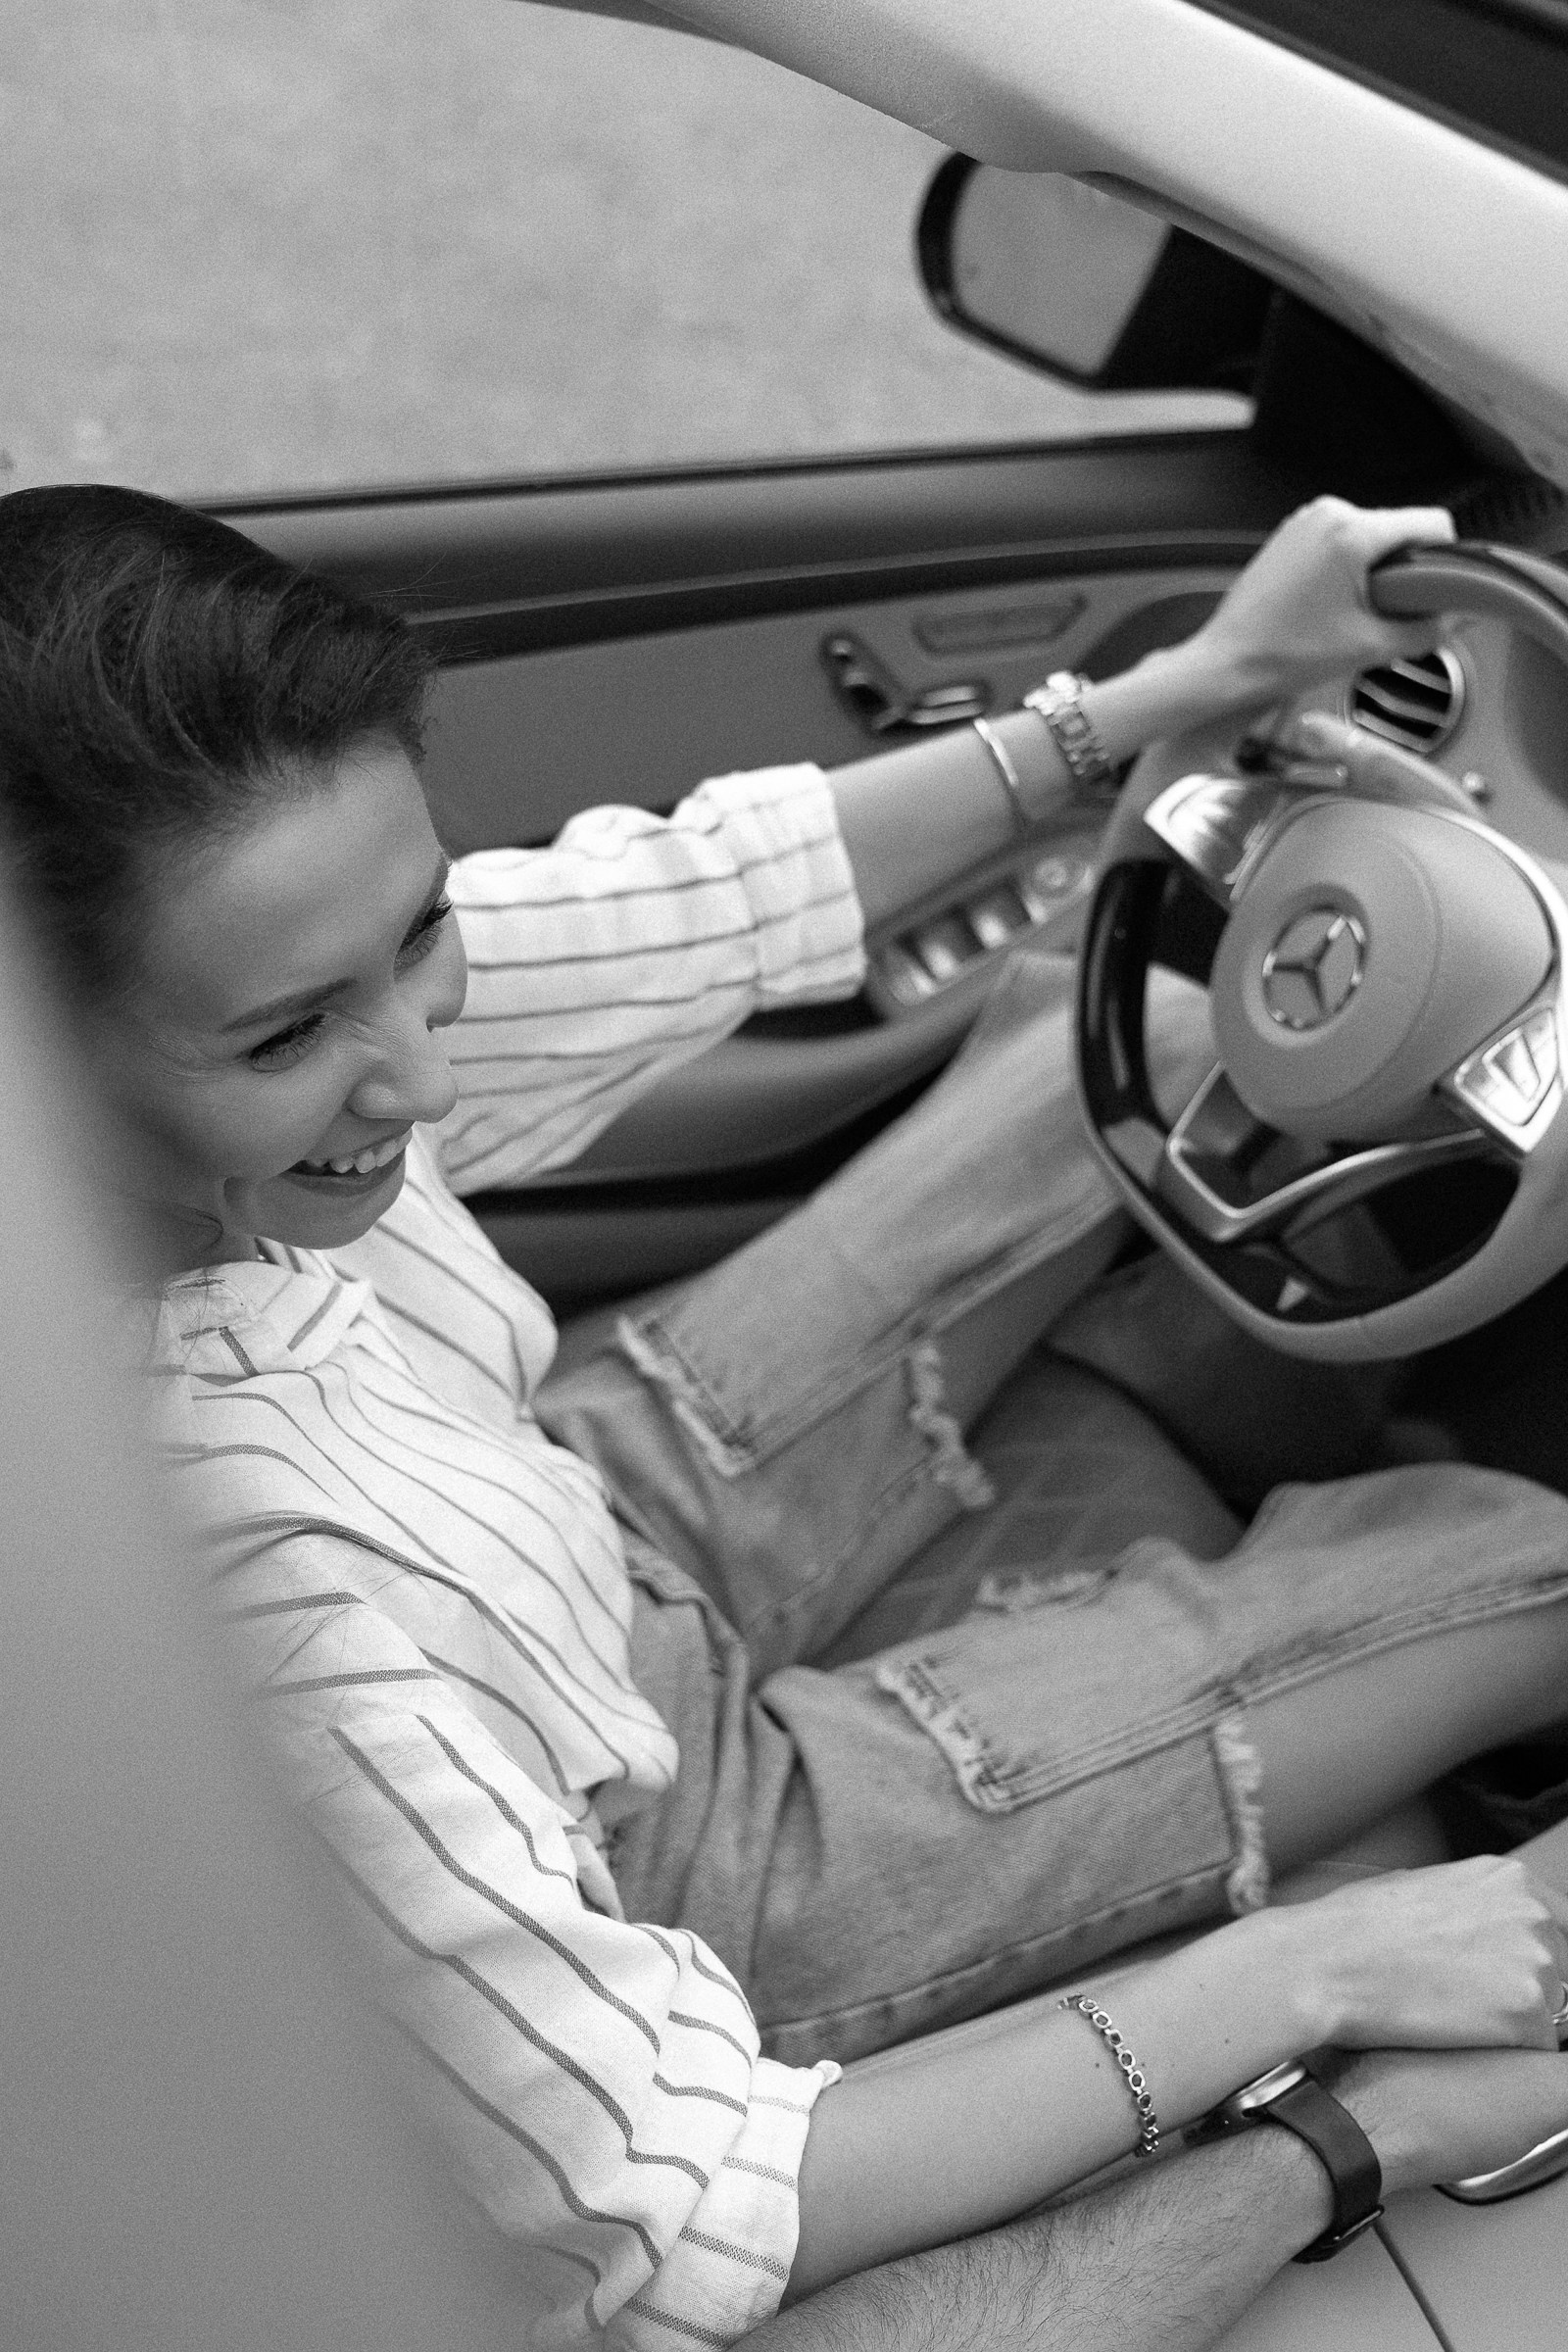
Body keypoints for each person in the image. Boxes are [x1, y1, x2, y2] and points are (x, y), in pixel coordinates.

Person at [5, 479, 1568, 2351]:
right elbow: (694, 2202)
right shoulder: (228, 1609)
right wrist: (1309, 1973)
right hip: (690, 1867)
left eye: (420, 933)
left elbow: (689, 901)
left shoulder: (249, 995)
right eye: (286, 1040)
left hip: (576, 1530)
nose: (418, 1072)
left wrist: (1191, 685)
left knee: (1169, 1034)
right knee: (1529, 1559)